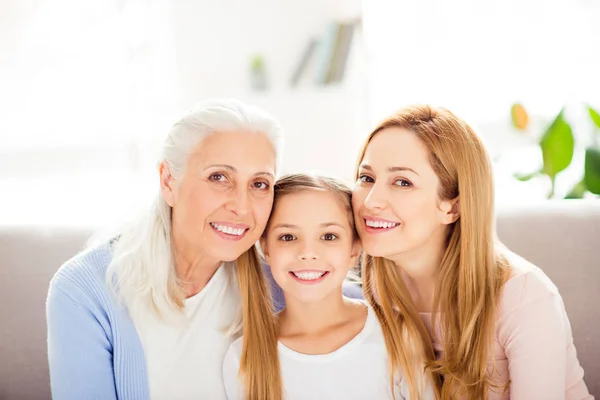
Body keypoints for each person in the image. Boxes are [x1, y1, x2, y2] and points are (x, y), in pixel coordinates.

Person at [46, 99, 285, 399]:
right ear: (169, 181)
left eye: (260, 184)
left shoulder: (279, 283)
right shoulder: (86, 292)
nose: (241, 206)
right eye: (219, 177)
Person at [352, 104, 592, 399]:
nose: (371, 201)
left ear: (452, 206)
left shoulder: (524, 297)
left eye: (403, 182)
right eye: (366, 178)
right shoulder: (379, 290)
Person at [222, 173, 436, 400]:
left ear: (354, 249)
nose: (308, 253)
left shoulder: (398, 334)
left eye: (329, 236)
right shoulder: (242, 357)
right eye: (287, 237)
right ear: (266, 248)